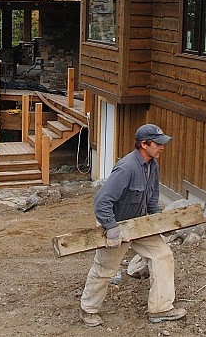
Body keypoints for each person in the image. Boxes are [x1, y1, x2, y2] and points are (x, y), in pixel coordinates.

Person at [80, 124, 187, 327]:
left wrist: (159, 223)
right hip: (114, 223)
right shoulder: (127, 167)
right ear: (144, 144)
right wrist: (111, 227)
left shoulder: (152, 165)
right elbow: (102, 202)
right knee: (105, 268)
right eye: (158, 144)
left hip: (138, 223)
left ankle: (161, 308)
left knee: (162, 255)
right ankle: (88, 309)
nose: (162, 147)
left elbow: (152, 200)